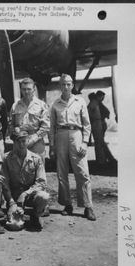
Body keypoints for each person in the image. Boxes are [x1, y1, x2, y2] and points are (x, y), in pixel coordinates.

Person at [49, 74, 96, 221]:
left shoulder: (80, 101)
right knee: (62, 173)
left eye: (69, 84)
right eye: (63, 84)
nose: (66, 87)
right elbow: (52, 127)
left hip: (77, 135)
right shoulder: (55, 104)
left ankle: (88, 206)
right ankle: (67, 204)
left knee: (82, 172)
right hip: (60, 135)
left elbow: (87, 124)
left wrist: (84, 142)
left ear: (72, 85)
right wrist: (51, 146)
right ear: (60, 86)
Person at [2, 128, 50, 231]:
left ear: (28, 141)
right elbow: (4, 183)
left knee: (44, 196)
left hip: (30, 195)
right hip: (14, 197)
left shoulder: (36, 159)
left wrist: (25, 194)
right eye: (17, 142)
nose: (21, 145)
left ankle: (35, 216)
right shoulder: (6, 159)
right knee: (15, 226)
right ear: (13, 142)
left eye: (23, 141)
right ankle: (14, 213)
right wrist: (11, 203)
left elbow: (41, 182)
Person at [8, 77, 50, 163]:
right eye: (24, 89)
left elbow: (45, 127)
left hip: (36, 141)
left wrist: (33, 139)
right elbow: (10, 125)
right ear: (21, 89)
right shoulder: (15, 105)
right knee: (18, 171)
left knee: (38, 171)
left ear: (34, 89)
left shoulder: (41, 105)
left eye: (29, 89)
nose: (26, 92)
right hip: (19, 141)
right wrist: (15, 134)